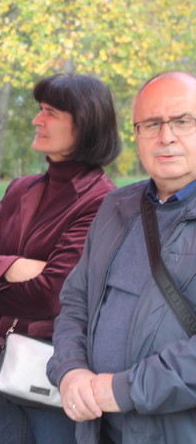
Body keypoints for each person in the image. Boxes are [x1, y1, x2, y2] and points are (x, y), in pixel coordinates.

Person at [0, 73, 121, 444]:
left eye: (50, 112)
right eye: (39, 110)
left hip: (54, 366)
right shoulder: (20, 190)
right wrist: (15, 268)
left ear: (85, 123)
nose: (36, 120)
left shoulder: (102, 201)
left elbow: (53, 295)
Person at [48, 71, 196, 443]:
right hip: (99, 428)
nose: (166, 136)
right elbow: (76, 300)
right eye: (151, 124)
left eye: (183, 121)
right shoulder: (116, 206)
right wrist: (70, 369)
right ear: (136, 135)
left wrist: (124, 390)